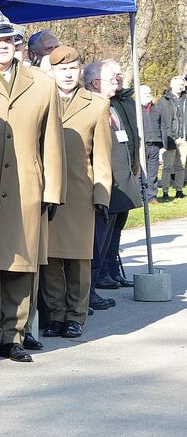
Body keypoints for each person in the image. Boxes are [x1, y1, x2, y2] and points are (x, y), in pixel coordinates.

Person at [0, 10, 65, 364]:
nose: (5, 46)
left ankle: (13, 335)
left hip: (26, 187)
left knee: (23, 265)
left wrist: (53, 191)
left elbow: (52, 141)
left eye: (11, 40)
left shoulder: (42, 82)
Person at [41, 46, 112, 339]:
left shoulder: (96, 105)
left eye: (72, 69)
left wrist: (102, 194)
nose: (68, 75)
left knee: (79, 259)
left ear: (81, 71)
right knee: (51, 259)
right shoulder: (42, 101)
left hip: (81, 192)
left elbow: (103, 156)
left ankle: (76, 315)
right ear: (53, 72)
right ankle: (56, 314)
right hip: (48, 191)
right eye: (62, 70)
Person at [83, 61, 141, 311]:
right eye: (111, 78)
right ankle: (88, 290)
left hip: (118, 183)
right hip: (102, 186)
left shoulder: (113, 106)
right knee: (95, 243)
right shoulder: (91, 107)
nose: (117, 81)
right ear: (95, 83)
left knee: (107, 239)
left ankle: (100, 282)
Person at [100, 63, 141, 289]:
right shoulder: (104, 103)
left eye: (119, 75)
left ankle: (113, 269)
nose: (118, 79)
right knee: (106, 226)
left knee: (118, 224)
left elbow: (133, 136)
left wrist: (136, 166)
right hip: (111, 174)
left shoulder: (125, 102)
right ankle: (103, 271)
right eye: (113, 76)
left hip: (128, 170)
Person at [159, 76, 186, 201]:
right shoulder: (165, 100)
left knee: (181, 165)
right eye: (178, 84)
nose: (180, 87)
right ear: (172, 85)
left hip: (183, 137)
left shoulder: (185, 99)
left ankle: (179, 190)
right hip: (171, 137)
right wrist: (165, 138)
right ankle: (165, 191)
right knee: (167, 166)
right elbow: (163, 121)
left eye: (182, 84)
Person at [139, 84, 163, 204]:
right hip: (141, 145)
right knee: (140, 172)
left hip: (155, 144)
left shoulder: (157, 109)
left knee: (152, 172)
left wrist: (163, 145)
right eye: (145, 93)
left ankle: (151, 196)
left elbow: (162, 127)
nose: (148, 95)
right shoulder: (135, 109)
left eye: (149, 93)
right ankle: (140, 196)